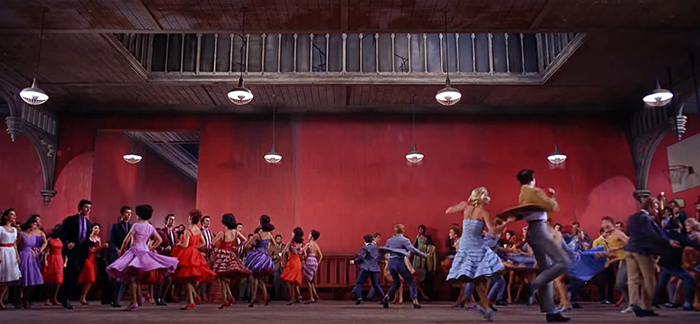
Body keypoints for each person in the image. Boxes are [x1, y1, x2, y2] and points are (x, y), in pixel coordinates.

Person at [499, 169, 570, 322]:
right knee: (564, 262)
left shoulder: (522, 194)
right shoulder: (535, 192)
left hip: (532, 231)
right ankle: (535, 283)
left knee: (546, 269)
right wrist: (551, 196)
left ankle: (550, 312)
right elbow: (552, 207)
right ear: (533, 178)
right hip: (540, 230)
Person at [446, 187, 508, 322]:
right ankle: (485, 307)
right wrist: (505, 224)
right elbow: (493, 232)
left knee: (479, 279)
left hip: (465, 246)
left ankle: (485, 307)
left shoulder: (465, 207)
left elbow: (448, 210)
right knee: (481, 278)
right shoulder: (484, 213)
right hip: (477, 247)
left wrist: (459, 206)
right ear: (483, 198)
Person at [106, 204, 179, 311]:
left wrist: (121, 251)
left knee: (132, 278)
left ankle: (134, 301)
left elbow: (126, 240)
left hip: (134, 251)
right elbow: (159, 240)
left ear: (139, 214)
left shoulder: (136, 225)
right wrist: (150, 249)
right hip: (144, 252)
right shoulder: (150, 227)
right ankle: (138, 299)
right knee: (136, 278)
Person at [624, 197, 679, 317]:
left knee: (633, 280)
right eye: (656, 208)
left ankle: (634, 303)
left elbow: (628, 232)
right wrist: (668, 242)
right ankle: (646, 307)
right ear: (649, 206)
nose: (657, 211)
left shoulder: (633, 217)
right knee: (649, 280)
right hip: (643, 251)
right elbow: (653, 234)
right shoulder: (647, 219)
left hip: (630, 250)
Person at [172, 209, 216, 310]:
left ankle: (191, 301)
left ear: (191, 218)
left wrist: (178, 243)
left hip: (187, 254)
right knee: (189, 279)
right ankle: (195, 297)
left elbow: (185, 245)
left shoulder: (188, 231)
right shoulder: (199, 230)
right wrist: (195, 247)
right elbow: (203, 243)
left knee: (186, 279)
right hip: (195, 253)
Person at [651, 217, 699, 311]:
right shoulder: (680, 236)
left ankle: (655, 301)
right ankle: (687, 304)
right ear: (679, 226)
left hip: (663, 263)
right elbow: (695, 244)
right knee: (690, 280)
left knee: (662, 282)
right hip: (673, 264)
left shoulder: (664, 234)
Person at [380, 223, 427, 309]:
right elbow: (412, 249)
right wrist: (424, 255)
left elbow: (384, 250)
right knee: (411, 282)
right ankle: (415, 301)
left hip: (391, 263)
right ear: (403, 230)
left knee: (396, 283)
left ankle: (387, 296)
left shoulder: (390, 240)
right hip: (399, 262)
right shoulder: (405, 240)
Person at [58, 199, 94, 309]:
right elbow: (61, 233)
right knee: (70, 272)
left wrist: (92, 244)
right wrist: (67, 242)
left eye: (89, 208)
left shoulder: (89, 223)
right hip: (72, 249)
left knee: (76, 274)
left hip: (82, 250)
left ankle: (65, 296)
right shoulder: (70, 220)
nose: (88, 210)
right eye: (86, 207)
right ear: (80, 208)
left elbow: (86, 238)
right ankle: (64, 298)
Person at [209, 213, 250, 308]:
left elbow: (213, 243)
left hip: (221, 256)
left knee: (220, 279)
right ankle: (230, 297)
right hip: (231, 255)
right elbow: (245, 240)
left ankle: (225, 300)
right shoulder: (235, 232)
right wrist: (238, 247)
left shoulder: (222, 233)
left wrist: (218, 246)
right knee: (225, 279)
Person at [244, 215, 276, 307]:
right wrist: (268, 252)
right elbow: (274, 245)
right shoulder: (269, 234)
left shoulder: (258, 235)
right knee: (260, 279)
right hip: (265, 257)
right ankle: (265, 297)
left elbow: (247, 244)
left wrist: (250, 247)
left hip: (257, 256)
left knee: (254, 278)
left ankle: (253, 299)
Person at [16, 214, 46, 308]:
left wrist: (37, 251)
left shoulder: (33, 235)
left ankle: (25, 299)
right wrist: (17, 256)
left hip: (31, 256)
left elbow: (42, 243)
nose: (36, 227)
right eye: (34, 225)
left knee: (33, 278)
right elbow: (16, 245)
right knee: (22, 279)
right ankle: (18, 300)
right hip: (23, 255)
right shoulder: (22, 234)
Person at [106, 206, 132, 307]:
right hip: (117, 254)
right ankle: (114, 299)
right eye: (127, 213)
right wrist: (117, 250)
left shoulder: (131, 226)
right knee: (116, 278)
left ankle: (117, 299)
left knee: (125, 279)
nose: (129, 215)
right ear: (121, 214)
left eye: (130, 213)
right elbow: (112, 241)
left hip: (128, 255)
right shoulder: (115, 226)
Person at [77, 223, 107, 305]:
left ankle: (83, 296)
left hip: (93, 259)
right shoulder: (87, 238)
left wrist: (102, 247)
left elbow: (98, 249)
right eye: (96, 228)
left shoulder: (98, 239)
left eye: (98, 228)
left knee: (91, 279)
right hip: (86, 258)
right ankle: (82, 296)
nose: (97, 230)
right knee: (88, 277)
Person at [351, 234, 385, 304]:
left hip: (366, 268)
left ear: (364, 240)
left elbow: (361, 257)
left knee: (359, 283)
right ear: (372, 240)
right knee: (376, 284)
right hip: (375, 268)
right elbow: (379, 257)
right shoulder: (376, 248)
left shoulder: (364, 248)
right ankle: (384, 298)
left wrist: (354, 261)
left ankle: (359, 297)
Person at [0, 208, 21, 310]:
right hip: (2, 251)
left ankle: (1, 299)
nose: (14, 217)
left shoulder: (15, 230)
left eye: (14, 215)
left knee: (7, 279)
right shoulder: (1, 229)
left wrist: (17, 256)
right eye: (12, 215)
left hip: (10, 252)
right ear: (5, 216)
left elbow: (14, 244)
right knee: (1, 277)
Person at [155, 213, 176, 305]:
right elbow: (155, 245)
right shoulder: (161, 232)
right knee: (161, 279)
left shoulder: (174, 233)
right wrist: (163, 248)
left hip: (170, 258)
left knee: (168, 280)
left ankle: (162, 298)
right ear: (165, 221)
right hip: (161, 258)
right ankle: (157, 298)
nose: (172, 221)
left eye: (173, 219)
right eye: (170, 219)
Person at [43, 224, 66, 306]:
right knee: (49, 279)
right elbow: (46, 250)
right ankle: (47, 298)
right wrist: (45, 260)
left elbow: (65, 252)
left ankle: (54, 298)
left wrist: (65, 261)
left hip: (59, 259)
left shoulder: (62, 240)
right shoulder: (50, 239)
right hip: (51, 258)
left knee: (58, 280)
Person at [281, 227, 304, 305]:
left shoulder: (291, 243)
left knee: (289, 281)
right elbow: (303, 254)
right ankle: (298, 295)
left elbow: (283, 252)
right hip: (298, 262)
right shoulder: (301, 244)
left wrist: (282, 260)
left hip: (291, 262)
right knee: (295, 281)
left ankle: (292, 298)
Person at [303, 229, 322, 303]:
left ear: (312, 236)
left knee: (307, 281)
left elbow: (303, 251)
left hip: (309, 261)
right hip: (314, 261)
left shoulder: (308, 244)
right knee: (311, 281)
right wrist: (318, 263)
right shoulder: (316, 245)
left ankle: (311, 297)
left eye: (309, 234)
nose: (308, 235)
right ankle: (315, 295)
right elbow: (321, 255)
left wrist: (304, 258)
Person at [271, 234, 287, 300]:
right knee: (276, 281)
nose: (279, 240)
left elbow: (287, 256)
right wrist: (275, 257)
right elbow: (269, 256)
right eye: (277, 239)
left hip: (283, 265)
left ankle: (284, 296)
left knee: (284, 282)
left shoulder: (284, 246)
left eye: (280, 239)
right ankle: (277, 296)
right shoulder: (272, 247)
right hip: (276, 265)